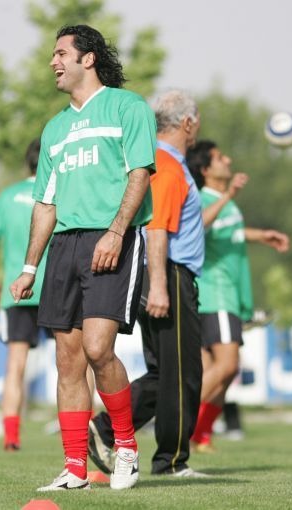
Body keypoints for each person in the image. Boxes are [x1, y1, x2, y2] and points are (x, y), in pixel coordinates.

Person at [10, 24, 156, 491]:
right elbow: (45, 205)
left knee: (97, 349)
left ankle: (126, 447)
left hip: (112, 238)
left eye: (61, 53)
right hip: (65, 246)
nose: (53, 62)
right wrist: (29, 268)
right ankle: (75, 469)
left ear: (88, 58)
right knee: (68, 360)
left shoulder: (128, 107)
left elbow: (139, 174)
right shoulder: (54, 128)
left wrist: (116, 232)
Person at [90, 89, 207, 477]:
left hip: (159, 273)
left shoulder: (157, 159)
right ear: (187, 123)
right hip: (168, 273)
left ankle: (105, 429)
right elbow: (157, 227)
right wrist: (158, 285)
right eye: (197, 121)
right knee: (182, 373)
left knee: (163, 373)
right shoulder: (168, 164)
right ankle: (171, 461)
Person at [185, 139, 289, 452]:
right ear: (206, 170)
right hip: (214, 292)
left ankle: (200, 434)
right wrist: (230, 195)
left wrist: (262, 236)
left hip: (226, 295)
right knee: (228, 366)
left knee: (219, 371)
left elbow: (231, 233)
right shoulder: (201, 198)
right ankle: (175, 419)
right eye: (219, 157)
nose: (228, 159)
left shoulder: (224, 202)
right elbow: (197, 227)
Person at [0, 138, 50, 451]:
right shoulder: (57, 193)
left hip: (17, 290)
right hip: (55, 287)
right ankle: (82, 434)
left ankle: (11, 436)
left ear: (27, 162)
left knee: (16, 365)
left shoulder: (7, 196)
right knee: (76, 363)